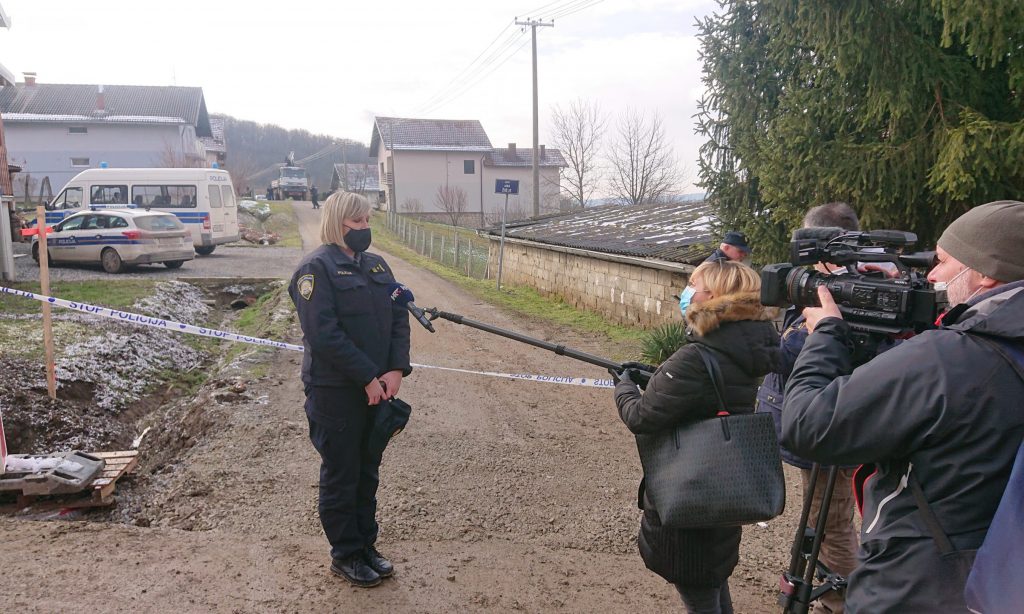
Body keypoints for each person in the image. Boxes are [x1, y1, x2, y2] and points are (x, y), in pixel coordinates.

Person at [782, 200, 1024, 612]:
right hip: (992, 577)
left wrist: (824, 334)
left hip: (915, 585)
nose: (931, 275)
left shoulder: (948, 360)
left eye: (943, 262)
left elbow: (808, 425)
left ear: (985, 273)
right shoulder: (995, 348)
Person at [615, 260, 781, 614]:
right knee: (711, 581)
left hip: (690, 490)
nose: (686, 291)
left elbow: (642, 417)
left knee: (698, 590)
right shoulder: (743, 345)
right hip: (723, 487)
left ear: (716, 295)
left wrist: (624, 387)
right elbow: (704, 390)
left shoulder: (697, 355)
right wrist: (658, 377)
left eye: (694, 283)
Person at [288, 191, 412, 588]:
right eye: (355, 223)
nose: (364, 229)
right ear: (337, 222)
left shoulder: (377, 266)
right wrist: (365, 377)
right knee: (342, 473)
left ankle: (365, 546)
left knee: (367, 471)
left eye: (367, 221)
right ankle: (345, 553)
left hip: (379, 388)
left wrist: (395, 370)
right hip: (336, 391)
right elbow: (324, 335)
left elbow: (398, 317)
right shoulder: (315, 270)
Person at [755, 202, 862, 614]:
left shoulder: (845, 297)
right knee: (820, 518)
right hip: (820, 426)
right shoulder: (830, 286)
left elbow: (794, 358)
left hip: (828, 429)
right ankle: (828, 591)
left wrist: (751, 337)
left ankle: (843, 601)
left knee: (830, 525)